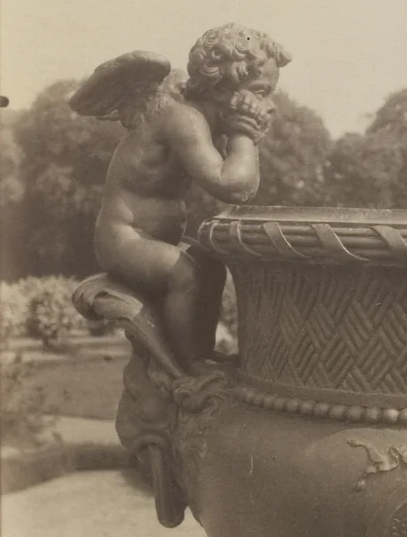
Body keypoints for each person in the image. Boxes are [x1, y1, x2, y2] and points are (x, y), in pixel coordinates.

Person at [71, 24, 291, 372]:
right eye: (260, 91)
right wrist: (244, 133)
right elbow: (233, 186)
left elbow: (241, 185)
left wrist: (240, 134)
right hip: (123, 240)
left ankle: (202, 352)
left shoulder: (199, 119)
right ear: (227, 84)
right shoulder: (184, 119)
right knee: (183, 273)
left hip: (152, 240)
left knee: (211, 260)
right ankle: (188, 364)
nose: (266, 105)